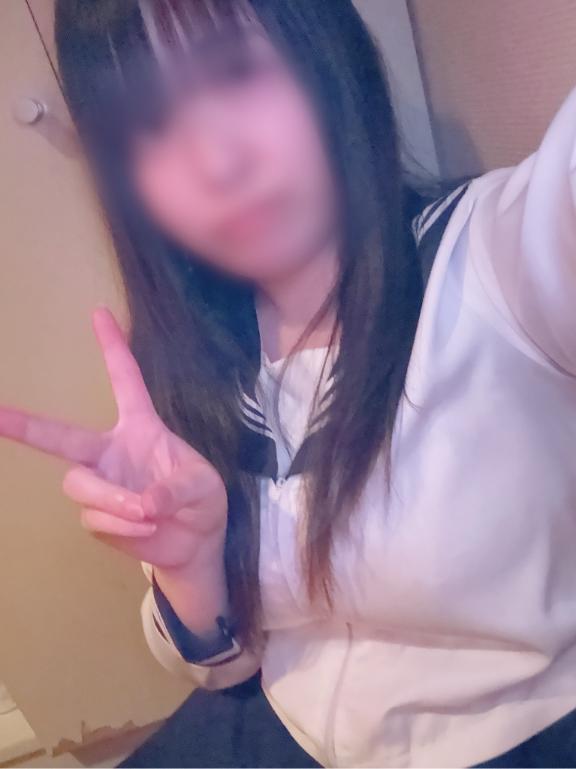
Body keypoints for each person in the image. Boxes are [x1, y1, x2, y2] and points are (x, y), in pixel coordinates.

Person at [1, 0, 575, 765]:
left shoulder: (494, 259)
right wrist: (188, 568)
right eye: (150, 124)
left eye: (235, 71)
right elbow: (224, 666)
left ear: (323, 54)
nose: (216, 162)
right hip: (283, 725)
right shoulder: (192, 357)